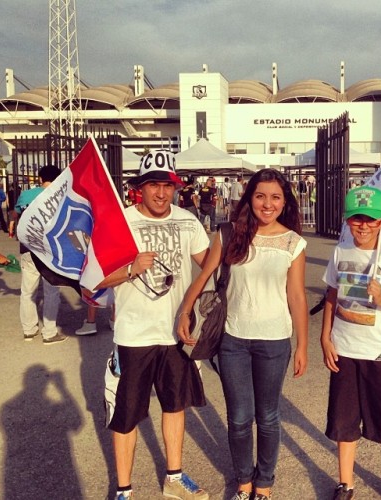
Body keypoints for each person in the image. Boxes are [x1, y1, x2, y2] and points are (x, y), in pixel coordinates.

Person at [178, 168, 308, 500]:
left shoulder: (293, 242)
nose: (268, 204)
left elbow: (296, 296)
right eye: (260, 196)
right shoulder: (228, 234)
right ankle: (243, 481)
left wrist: (303, 345)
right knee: (238, 418)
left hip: (275, 341)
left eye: (275, 197)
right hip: (233, 339)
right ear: (249, 198)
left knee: (267, 416)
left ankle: (263, 484)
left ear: (285, 202)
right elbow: (204, 274)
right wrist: (185, 310)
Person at [98, 150, 210, 500]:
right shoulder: (121, 222)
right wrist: (130, 269)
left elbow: (210, 267)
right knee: (126, 415)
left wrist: (193, 305)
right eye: (153, 186)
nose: (161, 193)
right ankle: (123, 491)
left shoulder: (188, 221)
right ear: (139, 188)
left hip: (175, 333)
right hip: (134, 335)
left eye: (167, 185)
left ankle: (173, 479)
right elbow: (95, 280)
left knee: (175, 406)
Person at [320, 186, 381, 500]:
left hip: (379, 353)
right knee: (344, 422)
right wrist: (325, 337)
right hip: (344, 349)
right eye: (356, 219)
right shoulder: (340, 252)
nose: (363, 226)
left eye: (371, 220)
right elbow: (332, 294)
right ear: (347, 220)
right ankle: (345, 483)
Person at [15, 166, 66, 345]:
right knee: (51, 291)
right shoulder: (60, 196)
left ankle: (29, 330)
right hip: (49, 250)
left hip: (28, 248)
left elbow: (16, 214)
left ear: (40, 178)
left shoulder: (26, 195)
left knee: (27, 291)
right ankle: (49, 333)